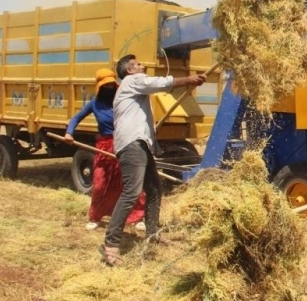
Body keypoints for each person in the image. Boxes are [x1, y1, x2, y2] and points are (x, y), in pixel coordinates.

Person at [98, 55, 206, 266]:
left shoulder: (133, 88)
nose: (143, 66)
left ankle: (153, 233)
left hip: (140, 144)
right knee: (132, 192)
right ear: (129, 71)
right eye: (138, 64)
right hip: (132, 144)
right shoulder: (132, 81)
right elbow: (160, 83)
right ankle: (110, 244)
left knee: (155, 189)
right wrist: (189, 79)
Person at [65, 68, 146, 231]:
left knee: (131, 182)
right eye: (106, 85)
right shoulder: (95, 104)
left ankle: (138, 218)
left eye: (111, 84)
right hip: (104, 147)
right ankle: (95, 217)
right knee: (100, 183)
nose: (109, 88)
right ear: (99, 87)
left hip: (125, 144)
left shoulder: (123, 99)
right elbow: (76, 117)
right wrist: (69, 132)